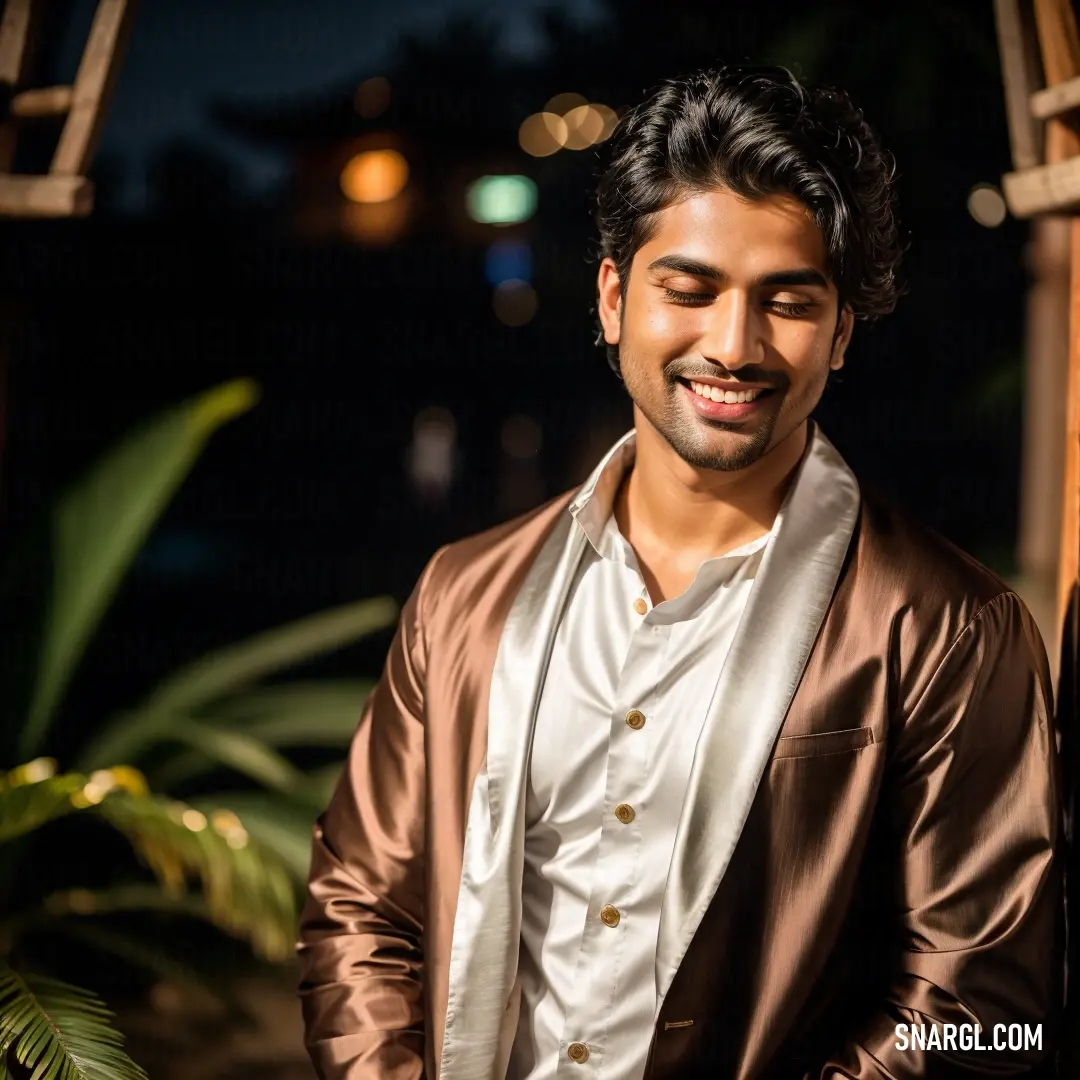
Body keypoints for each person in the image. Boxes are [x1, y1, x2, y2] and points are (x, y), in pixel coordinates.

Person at [297, 65, 1063, 1080]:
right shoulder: (464, 594)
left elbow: (982, 1011)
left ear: (840, 331)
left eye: (787, 301)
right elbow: (359, 905)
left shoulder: (948, 628)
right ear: (615, 298)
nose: (734, 346)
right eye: (689, 289)